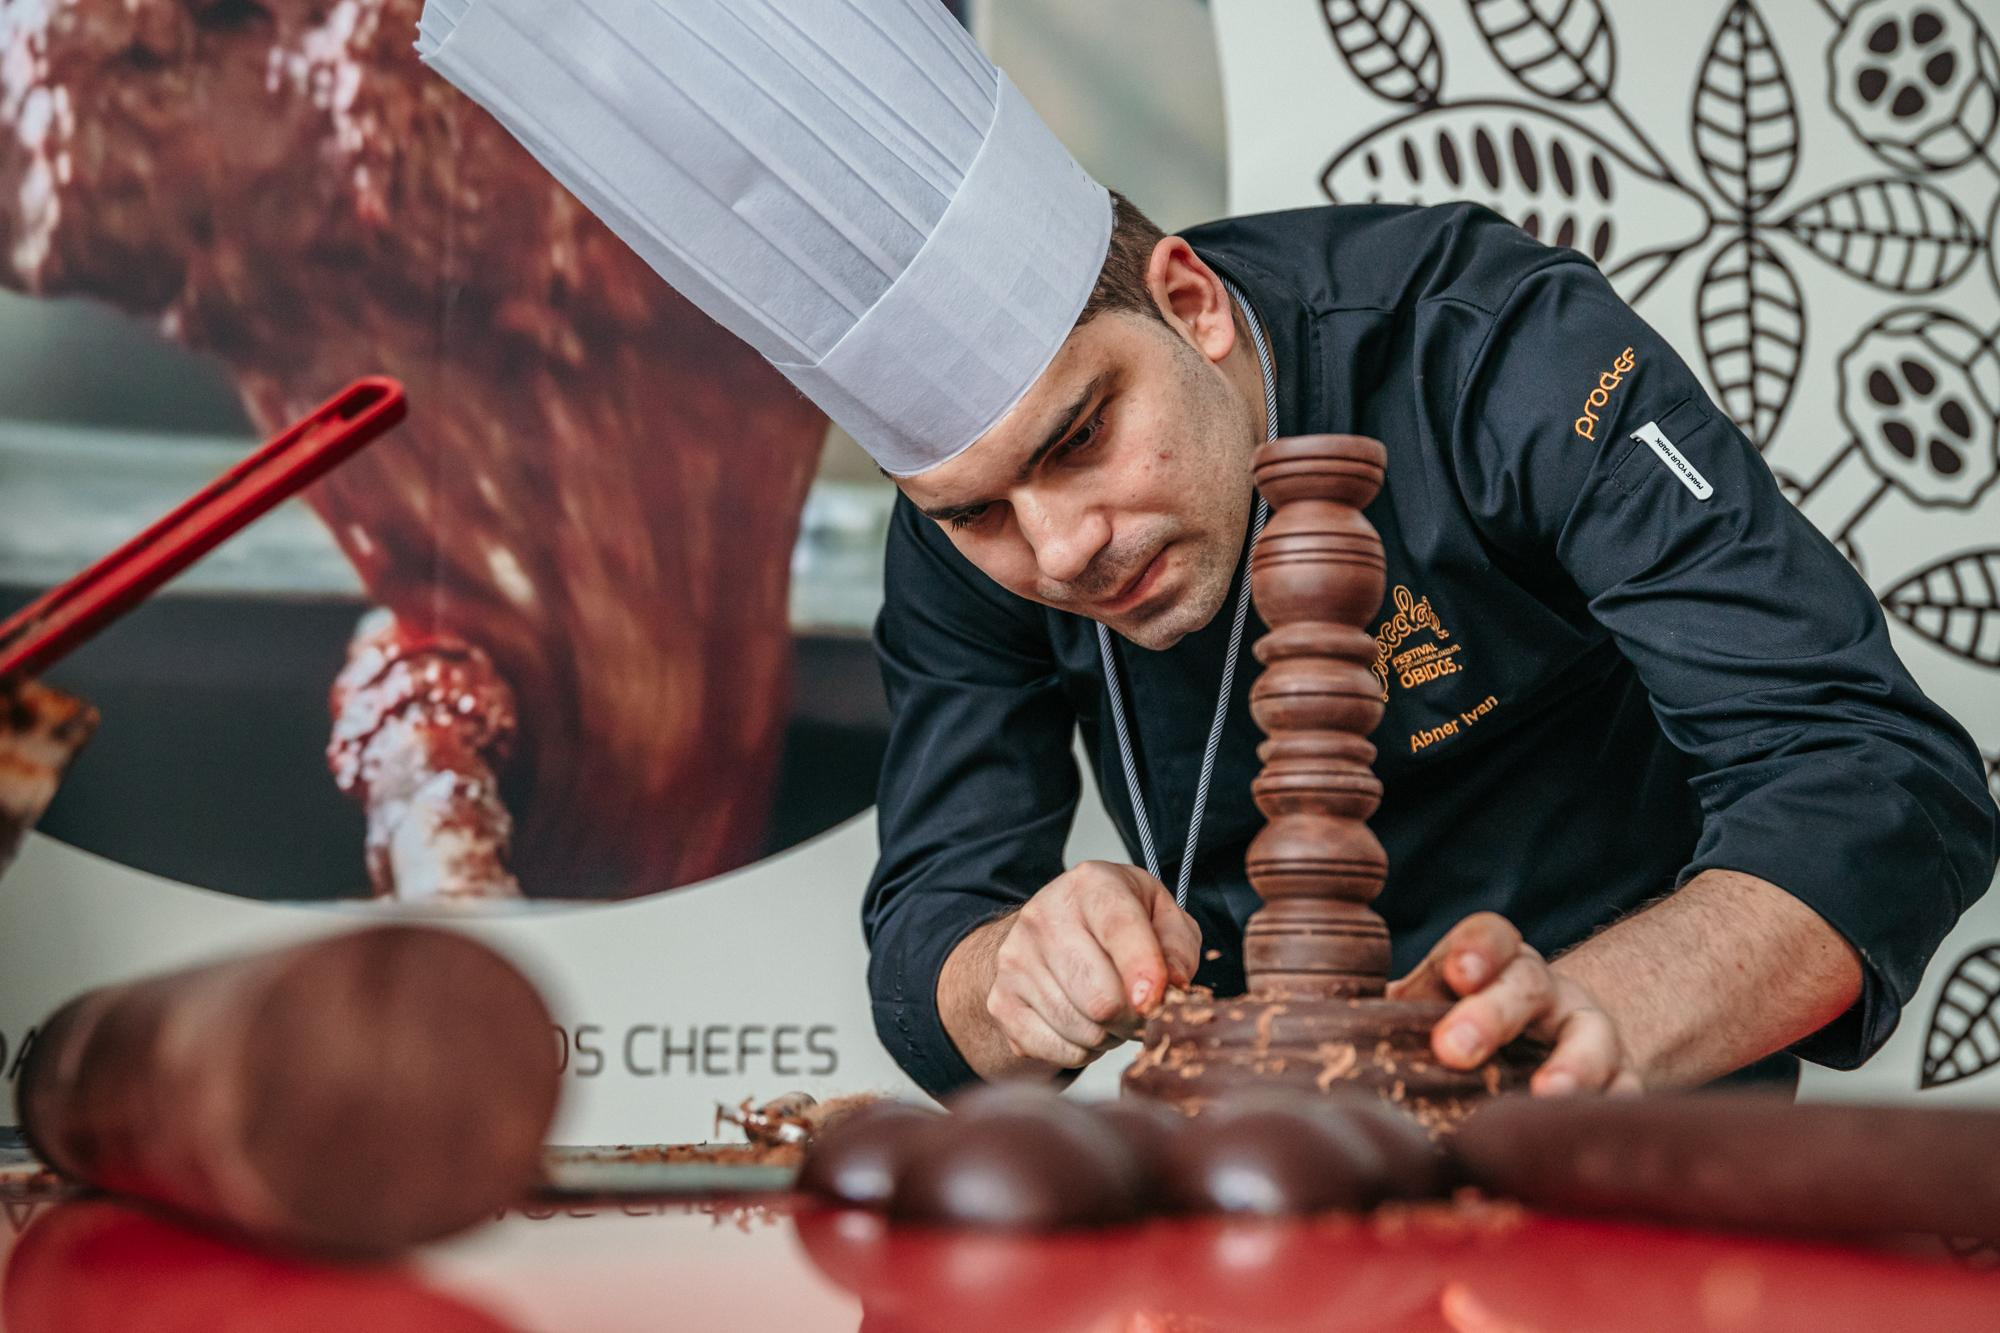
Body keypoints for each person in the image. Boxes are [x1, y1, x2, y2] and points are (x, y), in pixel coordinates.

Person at [418, 0, 1999, 1104]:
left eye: (1080, 437)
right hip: (1268, 1176)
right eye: (976, 507)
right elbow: (931, 937)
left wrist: (1598, 1015)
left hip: (1638, 1133)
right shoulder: (973, 532)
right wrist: (1013, 975)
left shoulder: (1489, 347)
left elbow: (1877, 776)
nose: (1060, 546)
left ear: (1187, 300)